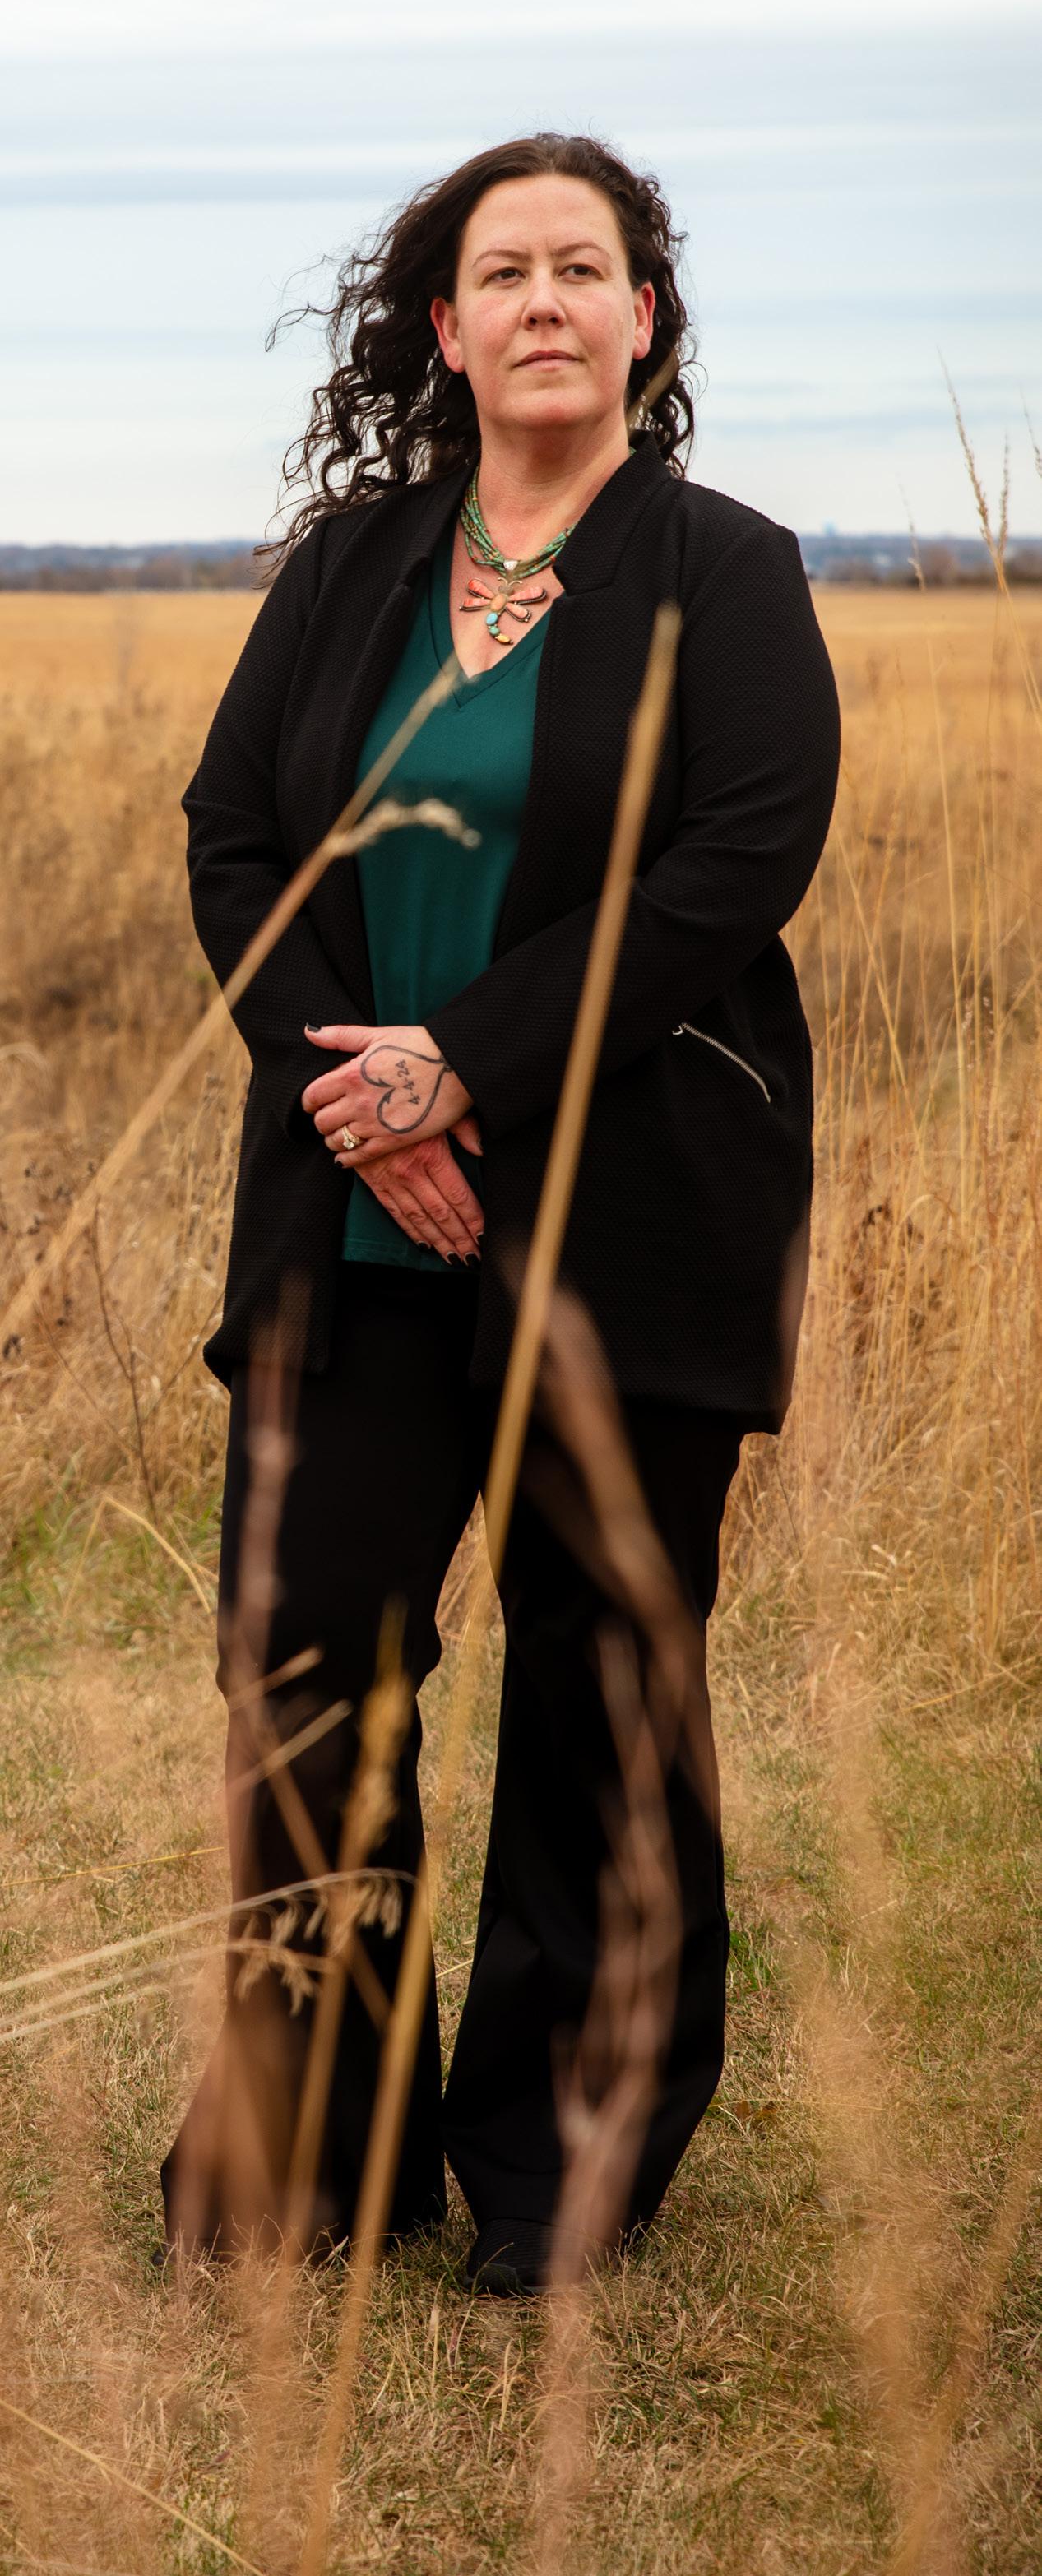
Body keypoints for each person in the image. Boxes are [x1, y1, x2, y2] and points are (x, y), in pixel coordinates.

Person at [160, 131, 841, 2296]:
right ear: (443, 330)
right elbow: (235, 842)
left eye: (583, 266)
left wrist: (465, 1060)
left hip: (622, 1219)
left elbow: (735, 859)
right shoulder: (350, 565)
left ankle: (559, 2173)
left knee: (597, 1685)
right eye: (503, 271)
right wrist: (362, 1103)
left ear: (643, 317)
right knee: (307, 1672)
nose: (544, 299)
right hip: (352, 1218)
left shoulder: (725, 570)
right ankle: (307, 2161)